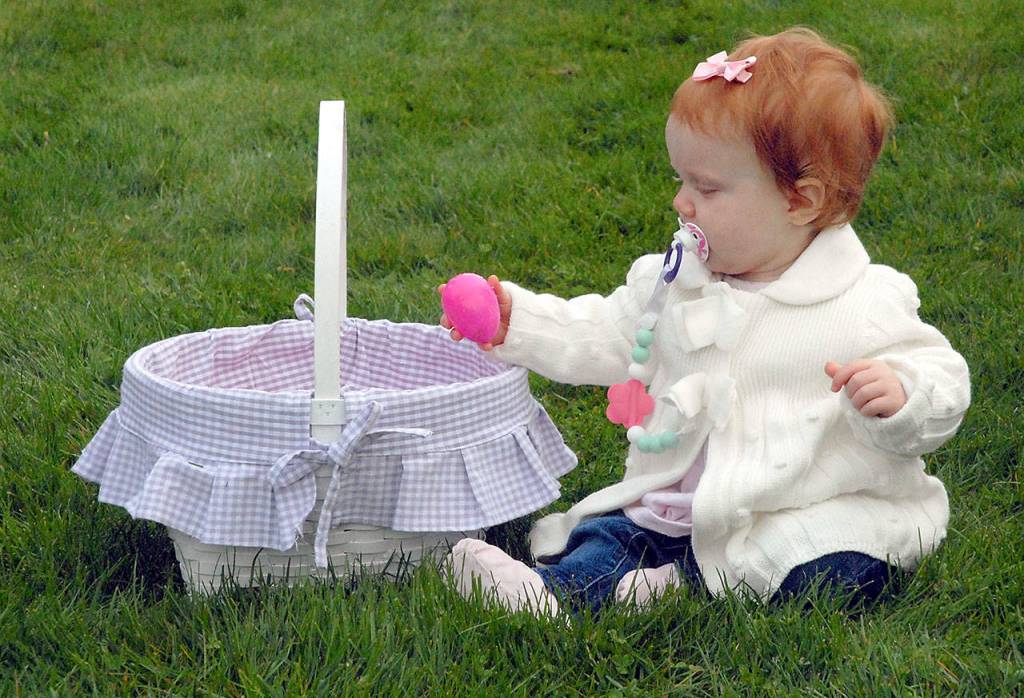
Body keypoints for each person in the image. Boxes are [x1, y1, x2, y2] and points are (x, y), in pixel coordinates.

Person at [439, 28, 970, 616]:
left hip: (796, 513)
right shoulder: (675, 280)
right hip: (679, 506)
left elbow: (942, 380)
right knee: (612, 536)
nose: (681, 203)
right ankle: (553, 595)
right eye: (680, 180)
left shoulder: (864, 300)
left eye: (706, 187)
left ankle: (672, 588)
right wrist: (518, 322)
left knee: (832, 568)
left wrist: (903, 396)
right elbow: (609, 331)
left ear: (801, 201)